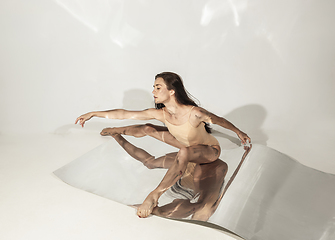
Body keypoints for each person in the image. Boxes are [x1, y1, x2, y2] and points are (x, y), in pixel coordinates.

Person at [75, 72, 251, 218]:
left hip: (209, 152)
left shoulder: (194, 113)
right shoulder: (163, 113)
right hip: (186, 147)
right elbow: (125, 113)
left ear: (172, 91)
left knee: (183, 152)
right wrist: (94, 113)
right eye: (153, 88)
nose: (153, 92)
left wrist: (239, 132)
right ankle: (116, 133)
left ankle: (154, 195)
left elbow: (219, 121)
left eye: (157, 87)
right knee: (148, 133)